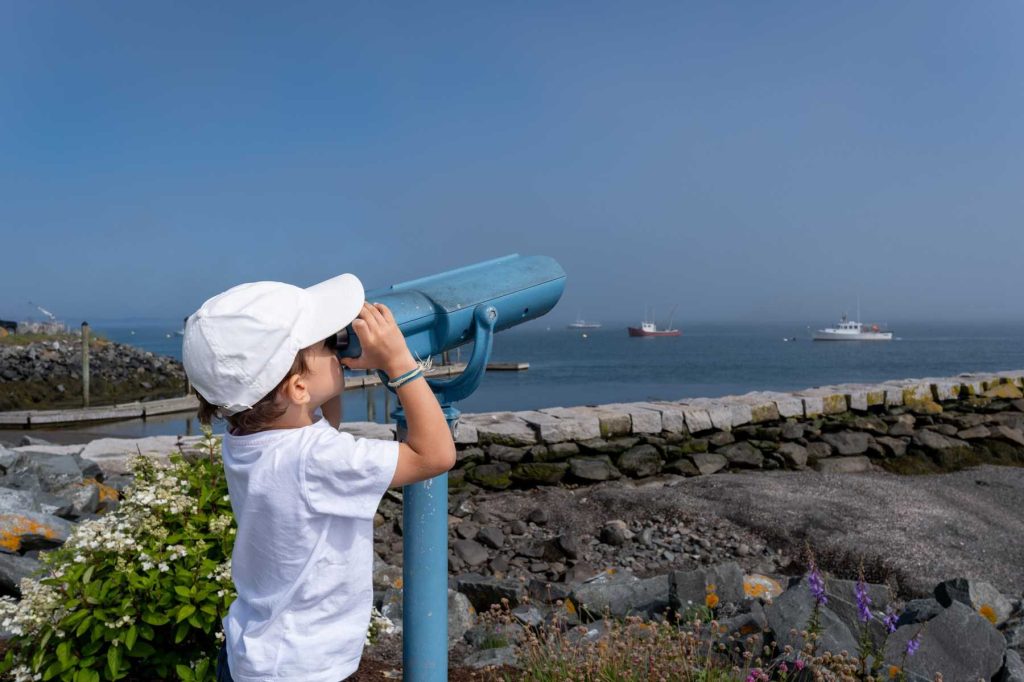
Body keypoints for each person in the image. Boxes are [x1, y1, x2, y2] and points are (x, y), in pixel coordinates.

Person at [181, 273, 457, 682]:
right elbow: (434, 455)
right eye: (328, 343)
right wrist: (400, 364)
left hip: (253, 653)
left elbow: (313, 422)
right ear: (297, 388)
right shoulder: (317, 459)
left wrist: (329, 373)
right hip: (303, 668)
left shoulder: (244, 437)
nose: (338, 343)